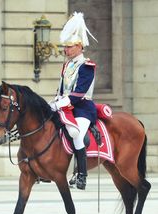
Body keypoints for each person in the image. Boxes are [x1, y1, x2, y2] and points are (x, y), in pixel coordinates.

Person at [49, 12, 98, 190]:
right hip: (65, 107)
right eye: (65, 47)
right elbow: (62, 89)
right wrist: (54, 101)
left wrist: (60, 104)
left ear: (79, 47)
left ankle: (81, 175)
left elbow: (79, 93)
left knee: (75, 133)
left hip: (83, 109)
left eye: (69, 47)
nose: (66, 50)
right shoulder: (67, 65)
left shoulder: (87, 66)